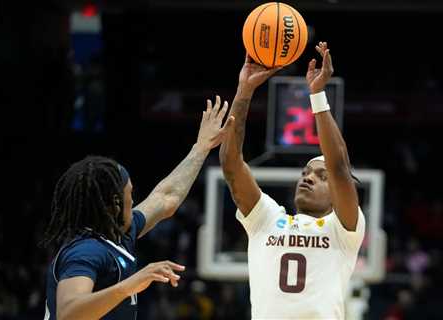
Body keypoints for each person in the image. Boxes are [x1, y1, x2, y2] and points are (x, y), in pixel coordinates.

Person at [41, 96, 234, 320]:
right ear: (114, 205)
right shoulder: (86, 251)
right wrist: (130, 285)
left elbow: (165, 198)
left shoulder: (120, 233)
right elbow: (68, 314)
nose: (133, 200)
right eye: (129, 194)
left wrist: (201, 147)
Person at [219, 42, 365, 319]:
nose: (308, 178)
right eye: (305, 174)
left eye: (320, 177)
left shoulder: (344, 229)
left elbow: (339, 167)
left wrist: (318, 95)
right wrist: (245, 91)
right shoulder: (267, 219)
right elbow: (231, 165)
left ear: (337, 193)